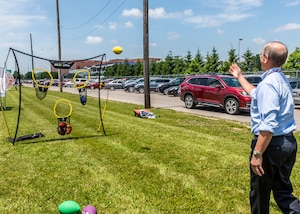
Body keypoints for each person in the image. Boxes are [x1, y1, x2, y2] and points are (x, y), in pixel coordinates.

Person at [229, 41, 300, 213]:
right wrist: (239, 76)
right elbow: (255, 93)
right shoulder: (281, 79)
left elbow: (268, 125)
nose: (260, 57)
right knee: (283, 193)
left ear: (266, 58)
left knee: (260, 194)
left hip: (271, 146)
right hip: (287, 143)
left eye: (261, 54)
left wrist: (257, 154)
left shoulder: (269, 84)